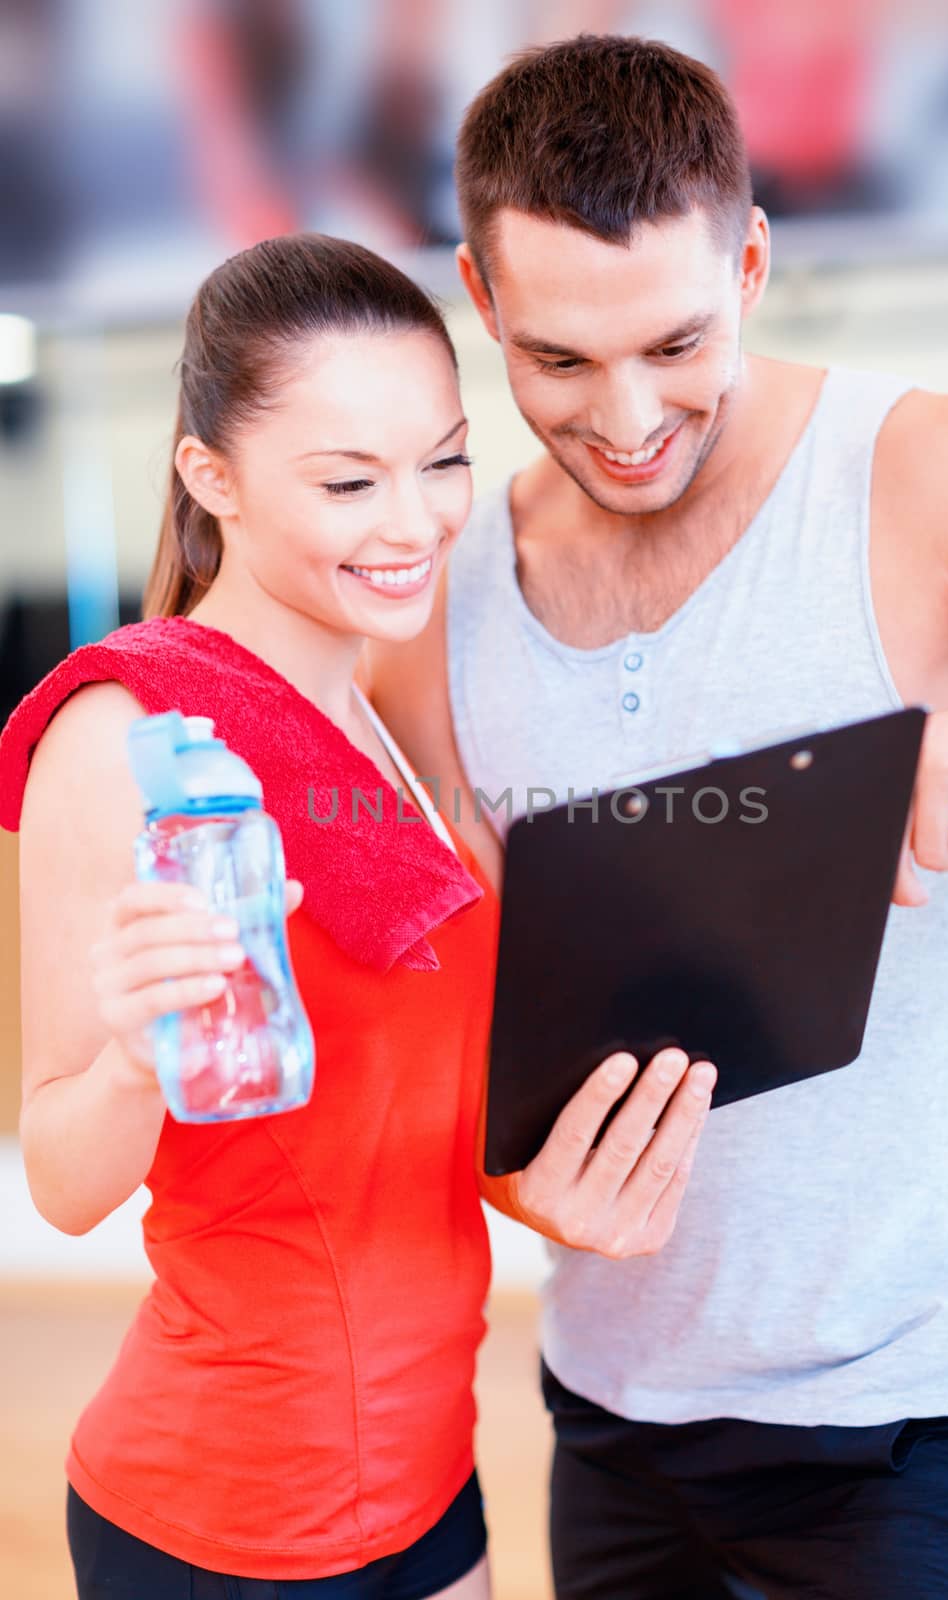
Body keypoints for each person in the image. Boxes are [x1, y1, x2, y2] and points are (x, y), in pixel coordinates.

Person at [366, 34, 948, 1600]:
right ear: (482, 304)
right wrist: (505, 1175)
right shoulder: (439, 591)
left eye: (676, 342)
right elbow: (470, 993)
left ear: (750, 263)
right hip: (612, 1418)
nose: (625, 417)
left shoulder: (929, 471)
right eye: (558, 362)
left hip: (910, 1419)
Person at [0, 232, 713, 1599]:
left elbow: (413, 1128)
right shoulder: (127, 728)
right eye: (347, 481)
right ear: (212, 478)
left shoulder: (389, 718)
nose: (415, 521)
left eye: (442, 459)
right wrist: (140, 1054)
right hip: (221, 1516)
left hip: (433, 1483)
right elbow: (63, 1178)